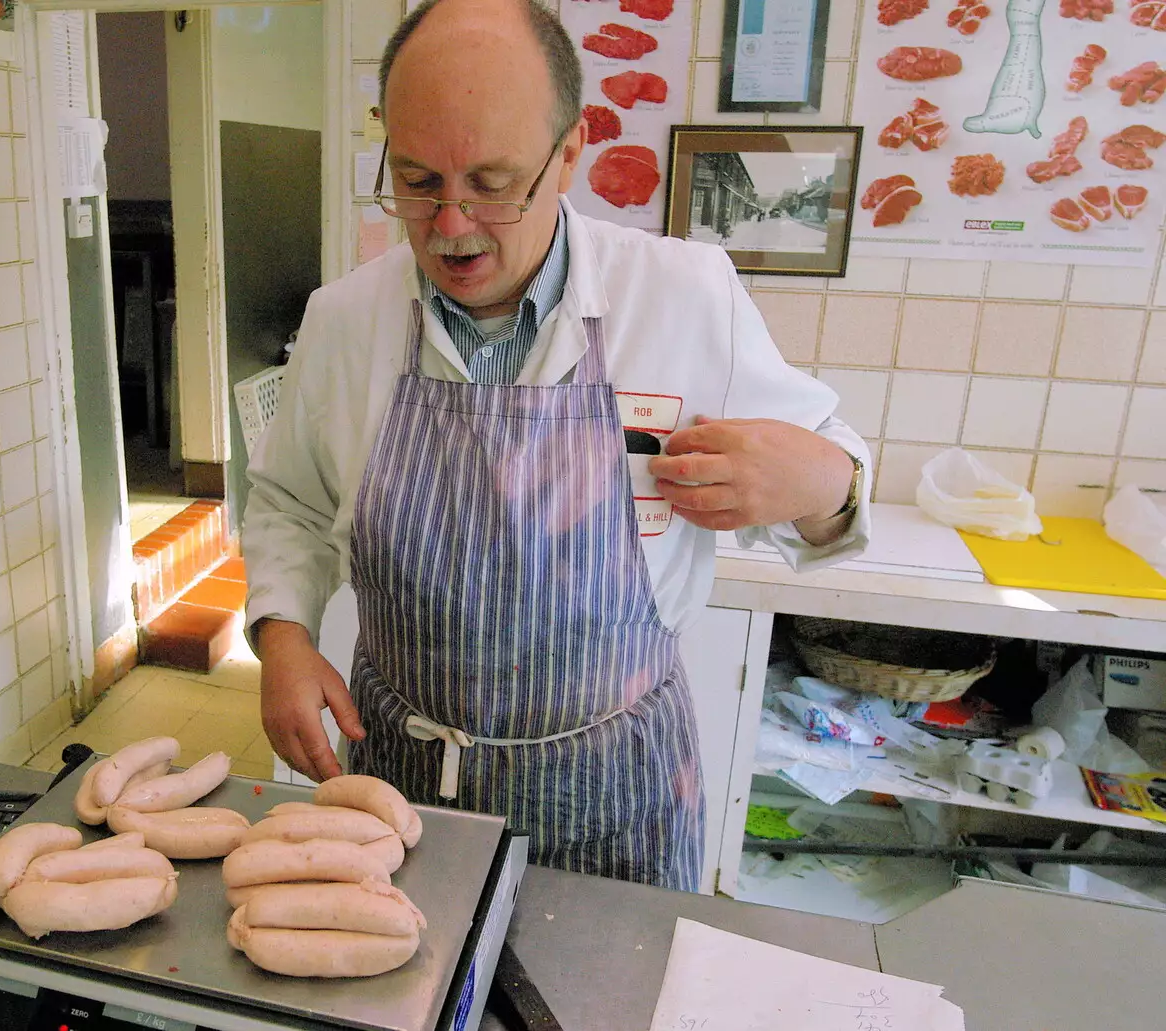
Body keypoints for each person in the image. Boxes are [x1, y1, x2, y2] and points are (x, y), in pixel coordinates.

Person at [243, 0, 870, 889]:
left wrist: (824, 479)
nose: (453, 226)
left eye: (494, 183)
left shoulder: (687, 297)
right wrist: (283, 635)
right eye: (419, 182)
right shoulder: (345, 318)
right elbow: (289, 502)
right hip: (403, 787)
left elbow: (832, 480)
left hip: (620, 797)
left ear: (570, 150)